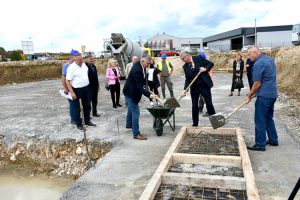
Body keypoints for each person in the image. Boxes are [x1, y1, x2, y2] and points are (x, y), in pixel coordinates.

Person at [246, 46, 278, 151]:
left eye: (249, 54)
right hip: (272, 94)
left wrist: (249, 96)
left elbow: (256, 83)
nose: (248, 56)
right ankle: (273, 140)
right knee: (268, 117)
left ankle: (260, 144)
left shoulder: (258, 64)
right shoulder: (269, 59)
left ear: (255, 53)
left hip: (264, 96)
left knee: (260, 119)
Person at [123, 57, 158, 140]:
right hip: (131, 93)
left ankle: (129, 125)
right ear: (142, 61)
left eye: (150, 64)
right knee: (136, 113)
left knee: (131, 109)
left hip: (129, 91)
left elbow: (142, 81)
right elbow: (139, 87)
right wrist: (150, 95)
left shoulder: (140, 66)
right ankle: (136, 134)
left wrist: (148, 88)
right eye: (148, 63)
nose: (148, 65)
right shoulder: (137, 70)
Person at [180, 51, 216, 126]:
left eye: (183, 58)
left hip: (204, 85)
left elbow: (211, 64)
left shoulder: (198, 58)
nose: (182, 60)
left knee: (209, 103)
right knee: (194, 105)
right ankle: (195, 123)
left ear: (187, 56)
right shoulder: (185, 66)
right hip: (194, 87)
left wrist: (205, 68)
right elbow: (187, 79)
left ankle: (215, 122)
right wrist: (184, 90)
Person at [66, 52, 96, 130]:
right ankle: (78, 123)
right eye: (78, 59)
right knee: (76, 108)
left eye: (81, 59)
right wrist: (72, 92)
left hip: (86, 88)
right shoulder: (71, 67)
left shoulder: (84, 65)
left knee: (87, 105)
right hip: (76, 89)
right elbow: (67, 81)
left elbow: (86, 73)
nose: (80, 60)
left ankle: (87, 121)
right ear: (74, 58)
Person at [61, 50, 76, 124]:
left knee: (76, 104)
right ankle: (73, 119)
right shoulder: (67, 65)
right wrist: (65, 88)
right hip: (69, 87)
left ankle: (76, 117)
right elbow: (63, 77)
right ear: (71, 56)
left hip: (75, 87)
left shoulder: (74, 65)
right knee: (72, 104)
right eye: (75, 56)